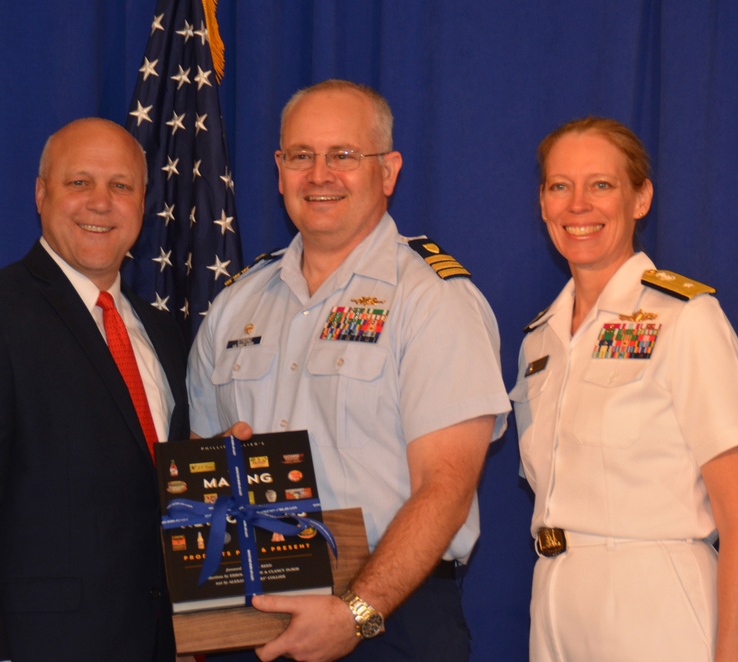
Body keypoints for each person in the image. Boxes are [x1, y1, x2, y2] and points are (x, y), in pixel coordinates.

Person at [187, 79, 511, 661]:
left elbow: (447, 487)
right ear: (279, 168)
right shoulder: (235, 304)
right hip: (248, 621)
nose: (320, 174)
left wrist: (357, 613)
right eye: (301, 156)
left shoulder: (433, 300)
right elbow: (200, 460)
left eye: (343, 155)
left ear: (387, 172)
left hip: (390, 622)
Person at [0, 118, 189, 661]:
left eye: (121, 185)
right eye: (79, 182)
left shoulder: (164, 333)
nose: (100, 203)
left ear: (144, 202)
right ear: (41, 195)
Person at [510, 116, 738, 661]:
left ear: (641, 198)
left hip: (656, 604)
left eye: (601, 185)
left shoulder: (687, 319)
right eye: (561, 186)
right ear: (542, 203)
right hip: (554, 604)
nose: (578, 205)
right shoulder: (540, 342)